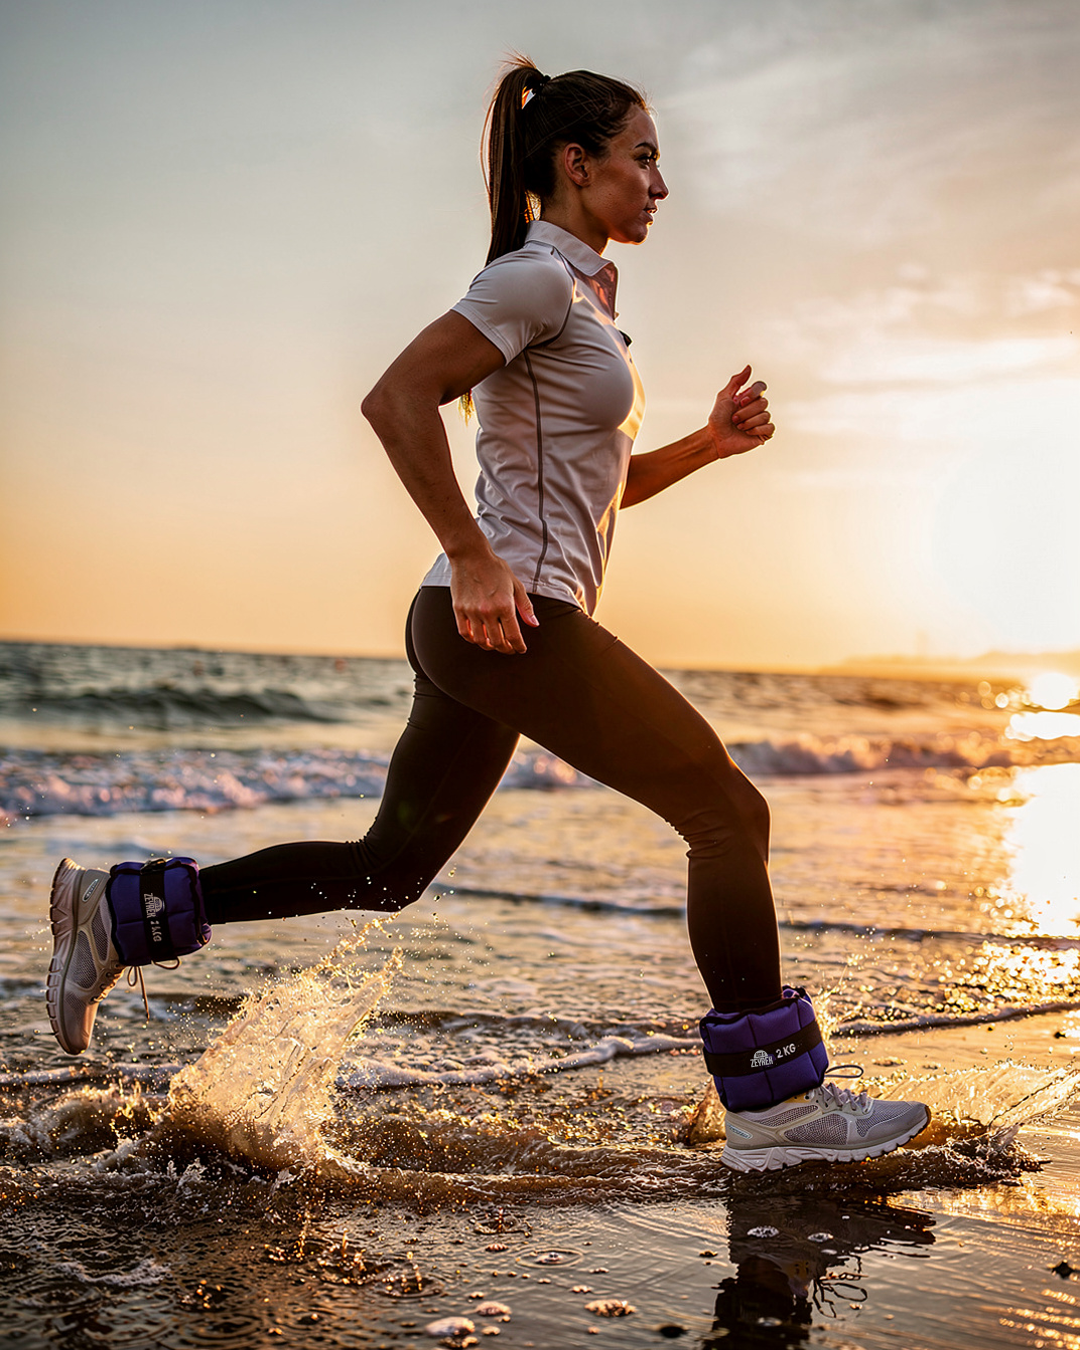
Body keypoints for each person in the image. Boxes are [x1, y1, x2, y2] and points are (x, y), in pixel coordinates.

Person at [46, 59, 929, 1171]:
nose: (662, 183)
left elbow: (600, 487)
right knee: (726, 813)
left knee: (388, 868)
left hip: (493, 626)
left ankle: (117, 917)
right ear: (577, 163)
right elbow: (393, 397)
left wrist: (708, 444)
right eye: (643, 157)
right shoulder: (535, 282)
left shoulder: (593, 302)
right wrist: (470, 555)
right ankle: (776, 1108)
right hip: (506, 618)